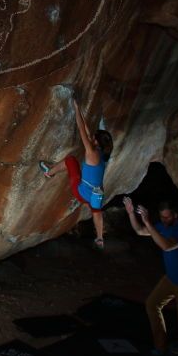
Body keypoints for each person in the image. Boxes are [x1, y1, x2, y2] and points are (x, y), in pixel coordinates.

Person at [124, 197, 178, 356]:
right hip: (171, 278)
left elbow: (166, 246)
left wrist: (149, 222)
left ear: (175, 215)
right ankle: (160, 348)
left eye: (167, 217)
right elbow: (140, 231)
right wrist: (132, 214)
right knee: (152, 304)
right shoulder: (161, 225)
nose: (164, 220)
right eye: (161, 217)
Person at [39, 93, 113, 250]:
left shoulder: (92, 153)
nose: (92, 137)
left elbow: (81, 130)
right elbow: (87, 131)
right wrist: (99, 237)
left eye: (94, 137)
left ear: (96, 141)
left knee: (71, 160)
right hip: (94, 194)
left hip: (80, 190)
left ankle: (48, 173)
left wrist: (76, 109)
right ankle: (99, 236)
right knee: (96, 210)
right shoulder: (102, 154)